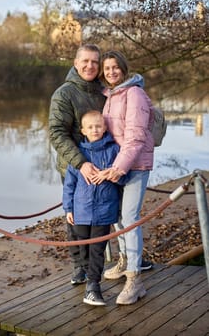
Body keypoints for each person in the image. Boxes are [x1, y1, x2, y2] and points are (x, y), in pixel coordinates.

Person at [92, 50, 155, 305]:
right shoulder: (111, 95)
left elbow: (136, 136)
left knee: (129, 219)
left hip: (135, 165)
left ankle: (135, 281)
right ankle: (125, 261)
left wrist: (118, 168)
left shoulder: (134, 93)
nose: (111, 72)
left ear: (124, 68)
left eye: (115, 67)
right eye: (107, 69)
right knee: (117, 217)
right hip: (117, 166)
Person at [49, 44, 106, 285]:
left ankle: (99, 265)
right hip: (74, 167)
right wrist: (81, 164)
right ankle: (79, 266)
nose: (90, 66)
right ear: (75, 63)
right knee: (76, 219)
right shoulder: (64, 93)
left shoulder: (104, 92)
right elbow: (57, 133)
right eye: (85, 61)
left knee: (103, 217)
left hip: (103, 167)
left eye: (95, 62)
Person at [63, 110, 130, 306]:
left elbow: (124, 177)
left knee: (97, 249)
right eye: (90, 127)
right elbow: (69, 185)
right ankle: (85, 271)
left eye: (98, 126)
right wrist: (68, 209)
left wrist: (112, 174)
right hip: (81, 211)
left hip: (104, 211)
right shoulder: (78, 155)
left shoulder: (114, 150)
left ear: (105, 128)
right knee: (82, 245)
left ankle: (93, 285)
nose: (95, 130)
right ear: (83, 130)